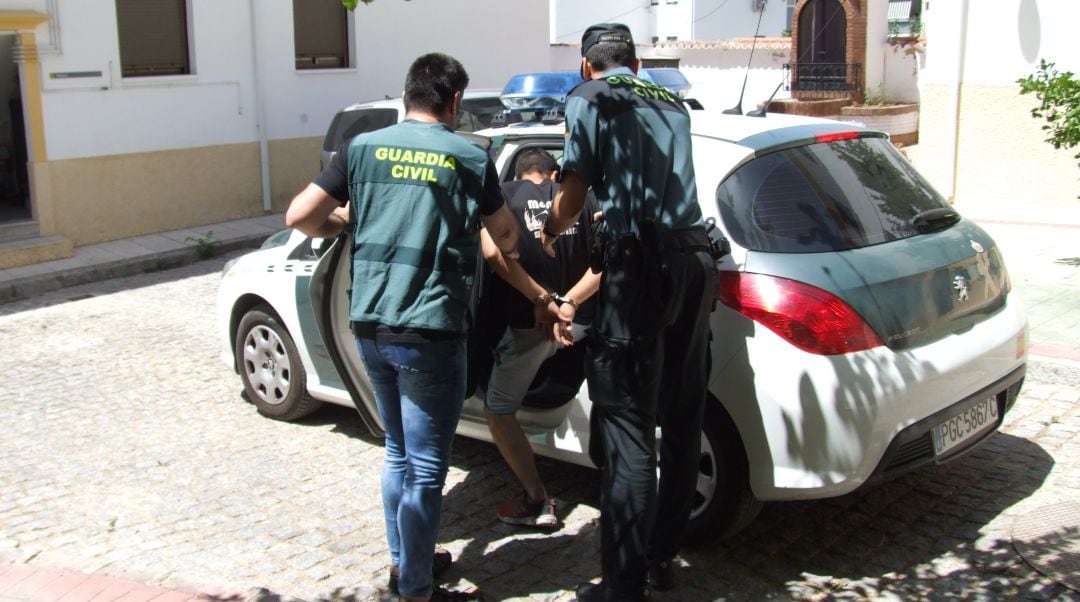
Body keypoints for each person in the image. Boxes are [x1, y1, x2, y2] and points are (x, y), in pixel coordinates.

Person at [285, 52, 520, 602]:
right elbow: (506, 236)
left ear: (408, 95)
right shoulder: (468, 155)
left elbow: (300, 216)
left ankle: (404, 562)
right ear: (456, 101)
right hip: (431, 328)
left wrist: (350, 217)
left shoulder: (360, 148)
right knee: (427, 468)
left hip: (369, 321)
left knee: (396, 451)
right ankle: (415, 589)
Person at [539, 24, 719, 601]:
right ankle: (663, 557)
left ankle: (624, 584)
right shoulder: (674, 99)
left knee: (628, 431)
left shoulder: (588, 98)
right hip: (694, 261)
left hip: (639, 274)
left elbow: (572, 190)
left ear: (587, 67)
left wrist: (551, 227)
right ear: (637, 64)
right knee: (684, 418)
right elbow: (653, 182)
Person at [479, 148, 600, 529]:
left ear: (519, 172)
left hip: (534, 326)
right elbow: (605, 262)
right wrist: (566, 304)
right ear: (551, 173)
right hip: (581, 318)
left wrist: (542, 301)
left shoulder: (502, 196)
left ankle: (536, 499)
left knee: (497, 410)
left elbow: (494, 256)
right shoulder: (583, 196)